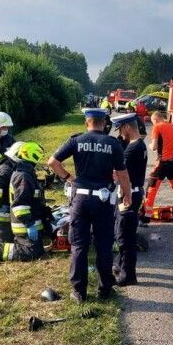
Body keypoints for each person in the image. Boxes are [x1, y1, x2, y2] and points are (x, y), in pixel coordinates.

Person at [48, 108, 132, 303]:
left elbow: (52, 162)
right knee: (104, 246)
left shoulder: (76, 140)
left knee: (79, 246)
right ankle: (104, 290)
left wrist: (69, 178)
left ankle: (79, 292)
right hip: (103, 201)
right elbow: (122, 174)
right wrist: (126, 194)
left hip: (80, 200)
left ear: (87, 123)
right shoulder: (112, 144)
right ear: (104, 123)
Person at [0, 142, 48, 263]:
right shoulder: (13, 170)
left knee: (16, 245)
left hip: (15, 215)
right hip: (3, 216)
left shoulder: (21, 170)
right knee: (14, 247)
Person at [111, 113, 147, 286]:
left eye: (120, 129)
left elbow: (118, 173)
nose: (119, 134)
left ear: (126, 127)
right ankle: (119, 265)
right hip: (132, 192)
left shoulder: (132, 149)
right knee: (123, 230)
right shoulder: (138, 144)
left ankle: (128, 275)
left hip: (129, 195)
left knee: (125, 235)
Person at [142, 111, 173, 222]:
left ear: (155, 119)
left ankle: (146, 216)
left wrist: (148, 144)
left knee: (152, 187)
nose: (153, 124)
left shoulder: (157, 127)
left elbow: (153, 147)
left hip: (163, 163)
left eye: (153, 122)